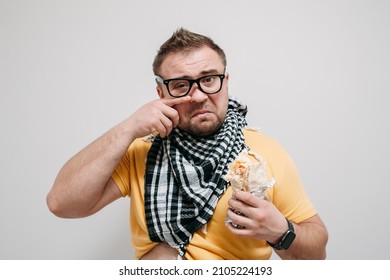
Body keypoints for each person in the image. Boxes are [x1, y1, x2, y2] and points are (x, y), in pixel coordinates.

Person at [47, 28, 328, 260]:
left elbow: (316, 253)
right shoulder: (142, 150)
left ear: (226, 81)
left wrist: (281, 231)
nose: (198, 96)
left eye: (208, 79)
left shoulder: (262, 151)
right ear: (161, 93)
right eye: (181, 85)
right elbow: (61, 203)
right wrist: (128, 127)